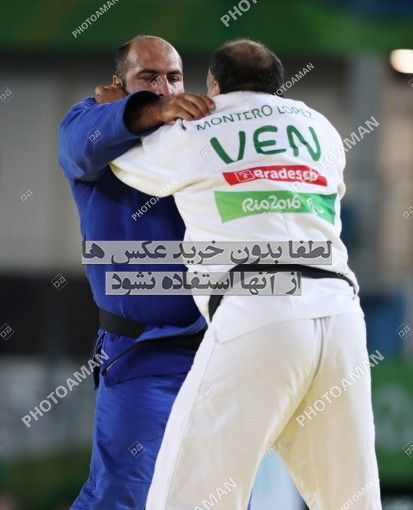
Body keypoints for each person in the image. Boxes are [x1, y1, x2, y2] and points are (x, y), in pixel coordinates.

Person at [110, 39, 382, 509]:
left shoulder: (196, 126)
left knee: (187, 497)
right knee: (351, 499)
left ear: (213, 84)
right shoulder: (321, 128)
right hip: (340, 318)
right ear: (278, 83)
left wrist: (117, 108)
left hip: (257, 310)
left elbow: (118, 155)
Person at [58, 35, 215, 509]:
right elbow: (79, 146)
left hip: (217, 351)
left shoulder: (200, 132)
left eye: (173, 78)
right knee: (123, 493)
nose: (165, 88)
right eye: (148, 77)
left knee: (218, 492)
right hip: (141, 354)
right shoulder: (90, 124)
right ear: (117, 84)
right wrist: (148, 112)